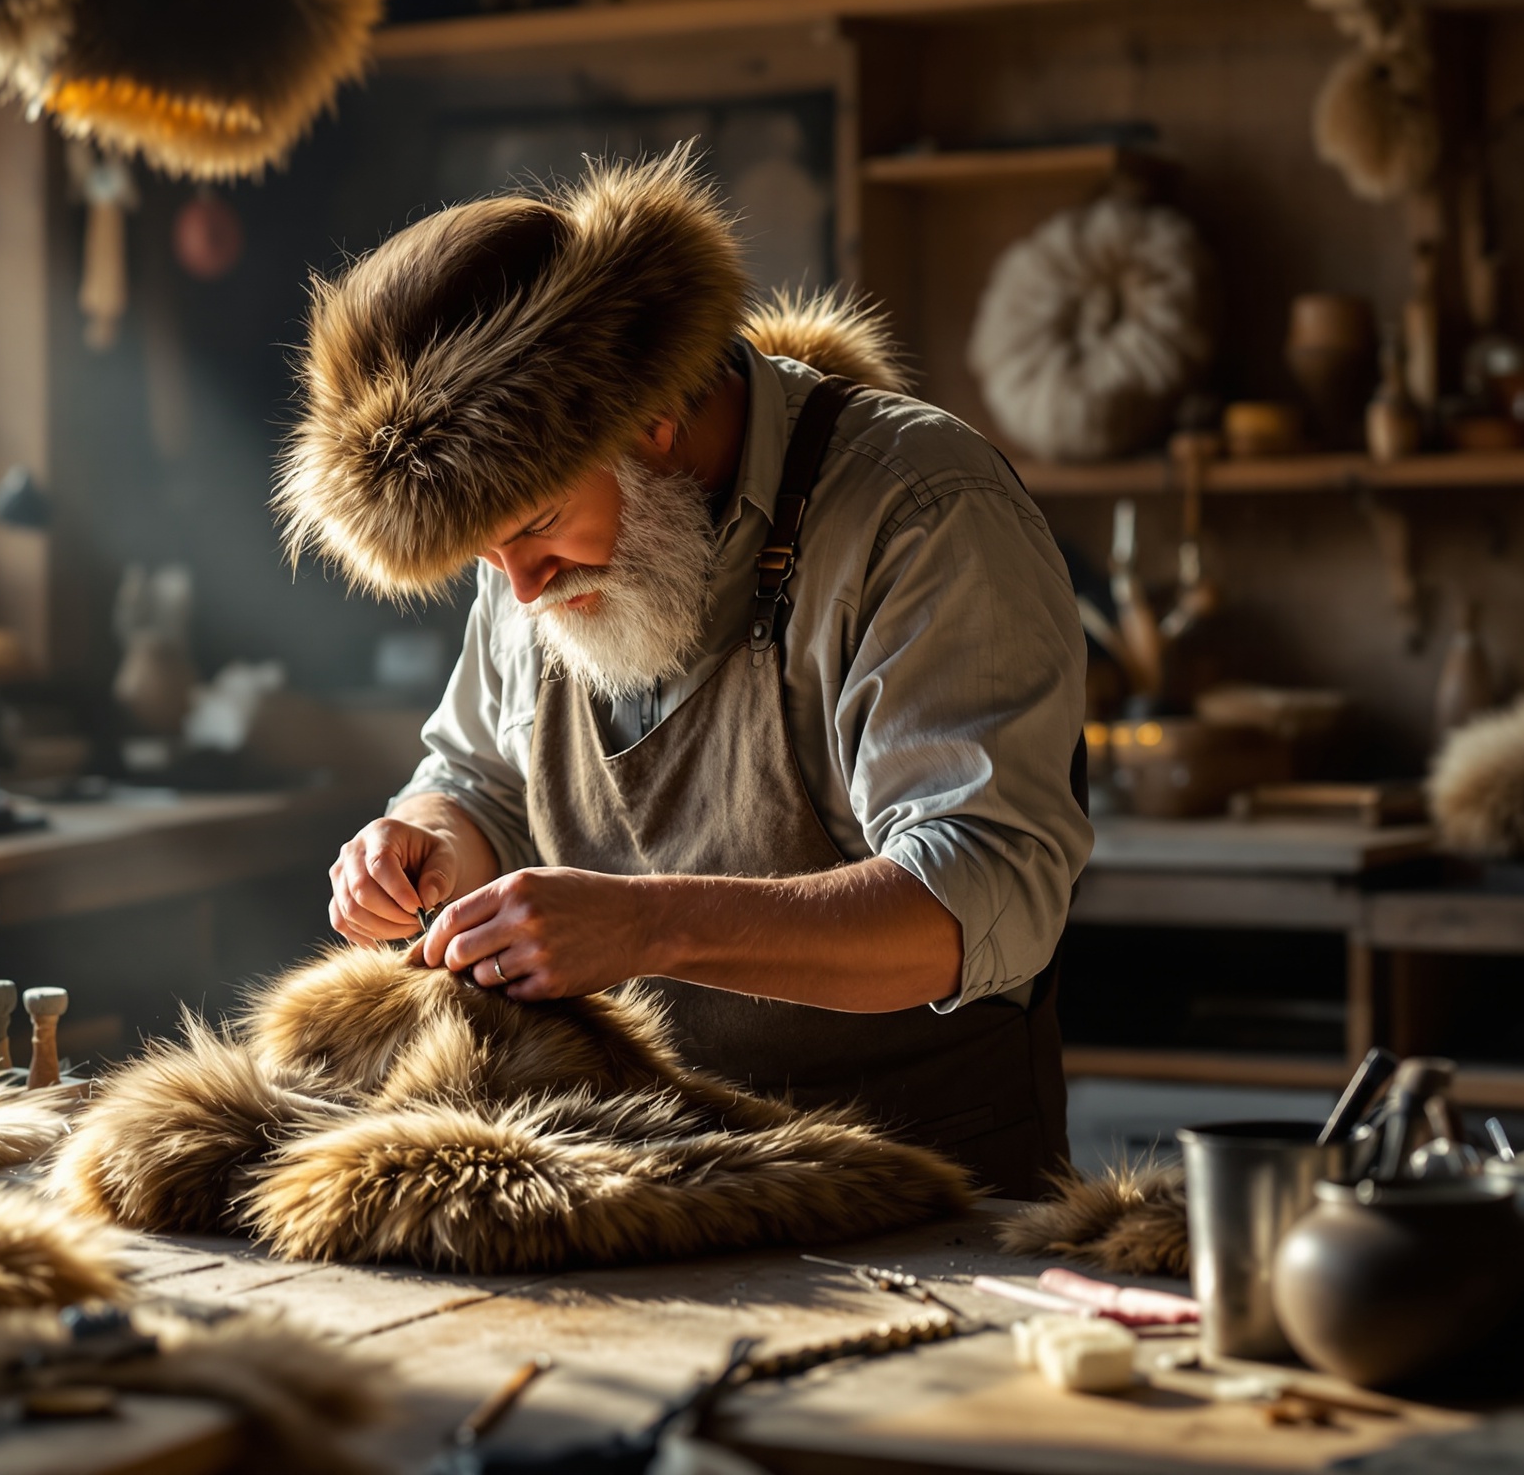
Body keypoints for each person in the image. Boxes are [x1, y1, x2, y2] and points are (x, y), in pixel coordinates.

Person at [275, 151, 1092, 1196]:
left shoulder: (922, 512)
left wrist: (648, 924)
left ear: (651, 415)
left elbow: (985, 894)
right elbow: (477, 776)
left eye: (531, 530)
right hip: (643, 1183)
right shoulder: (532, 543)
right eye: (486, 559)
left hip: (921, 1199)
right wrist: (422, 844)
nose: (520, 592)